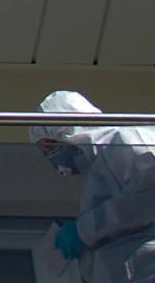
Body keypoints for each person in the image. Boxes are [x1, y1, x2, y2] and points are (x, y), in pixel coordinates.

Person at [29, 90, 155, 283]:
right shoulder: (97, 167)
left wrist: (83, 231)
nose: (49, 155)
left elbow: (148, 197)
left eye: (46, 146)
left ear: (59, 132)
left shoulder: (123, 140)